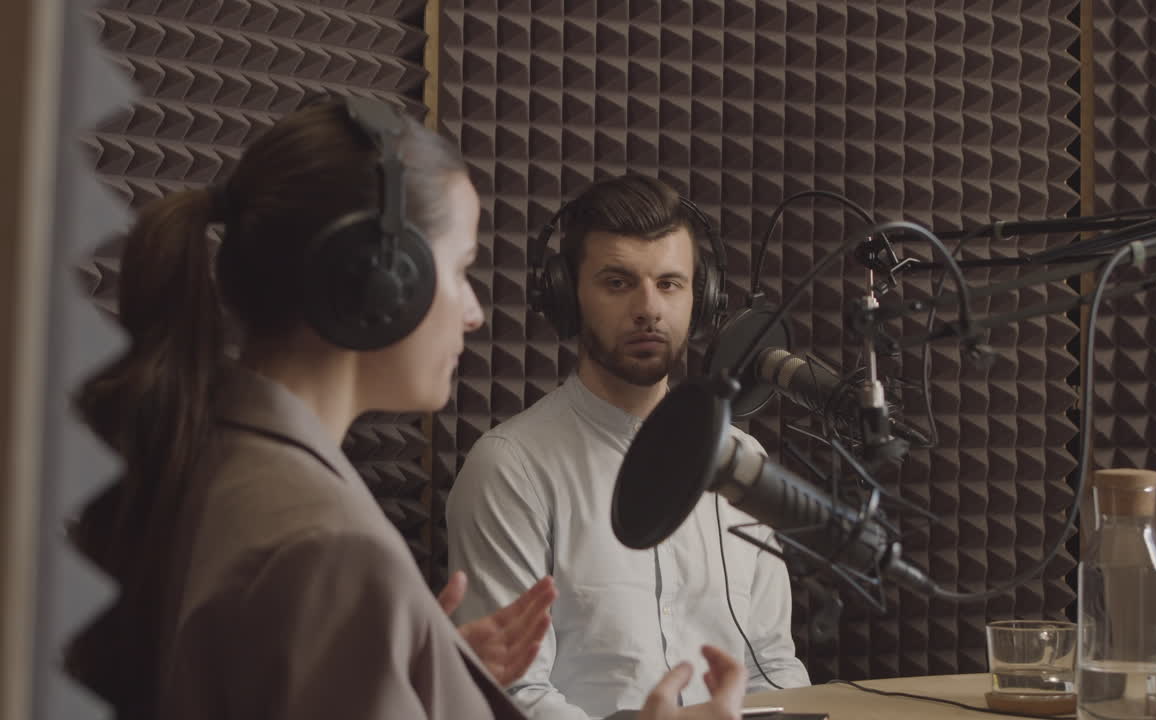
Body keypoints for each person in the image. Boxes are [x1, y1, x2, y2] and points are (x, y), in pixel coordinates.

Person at [68, 98, 747, 720]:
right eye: (460, 270)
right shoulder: (328, 548)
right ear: (380, 283)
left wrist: (430, 688)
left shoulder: (210, 458)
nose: (476, 312)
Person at [447, 175, 812, 720]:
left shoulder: (740, 461)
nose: (649, 308)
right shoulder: (510, 468)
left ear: (703, 297)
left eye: (670, 284)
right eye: (618, 283)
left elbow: (774, 669)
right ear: (568, 297)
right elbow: (512, 695)